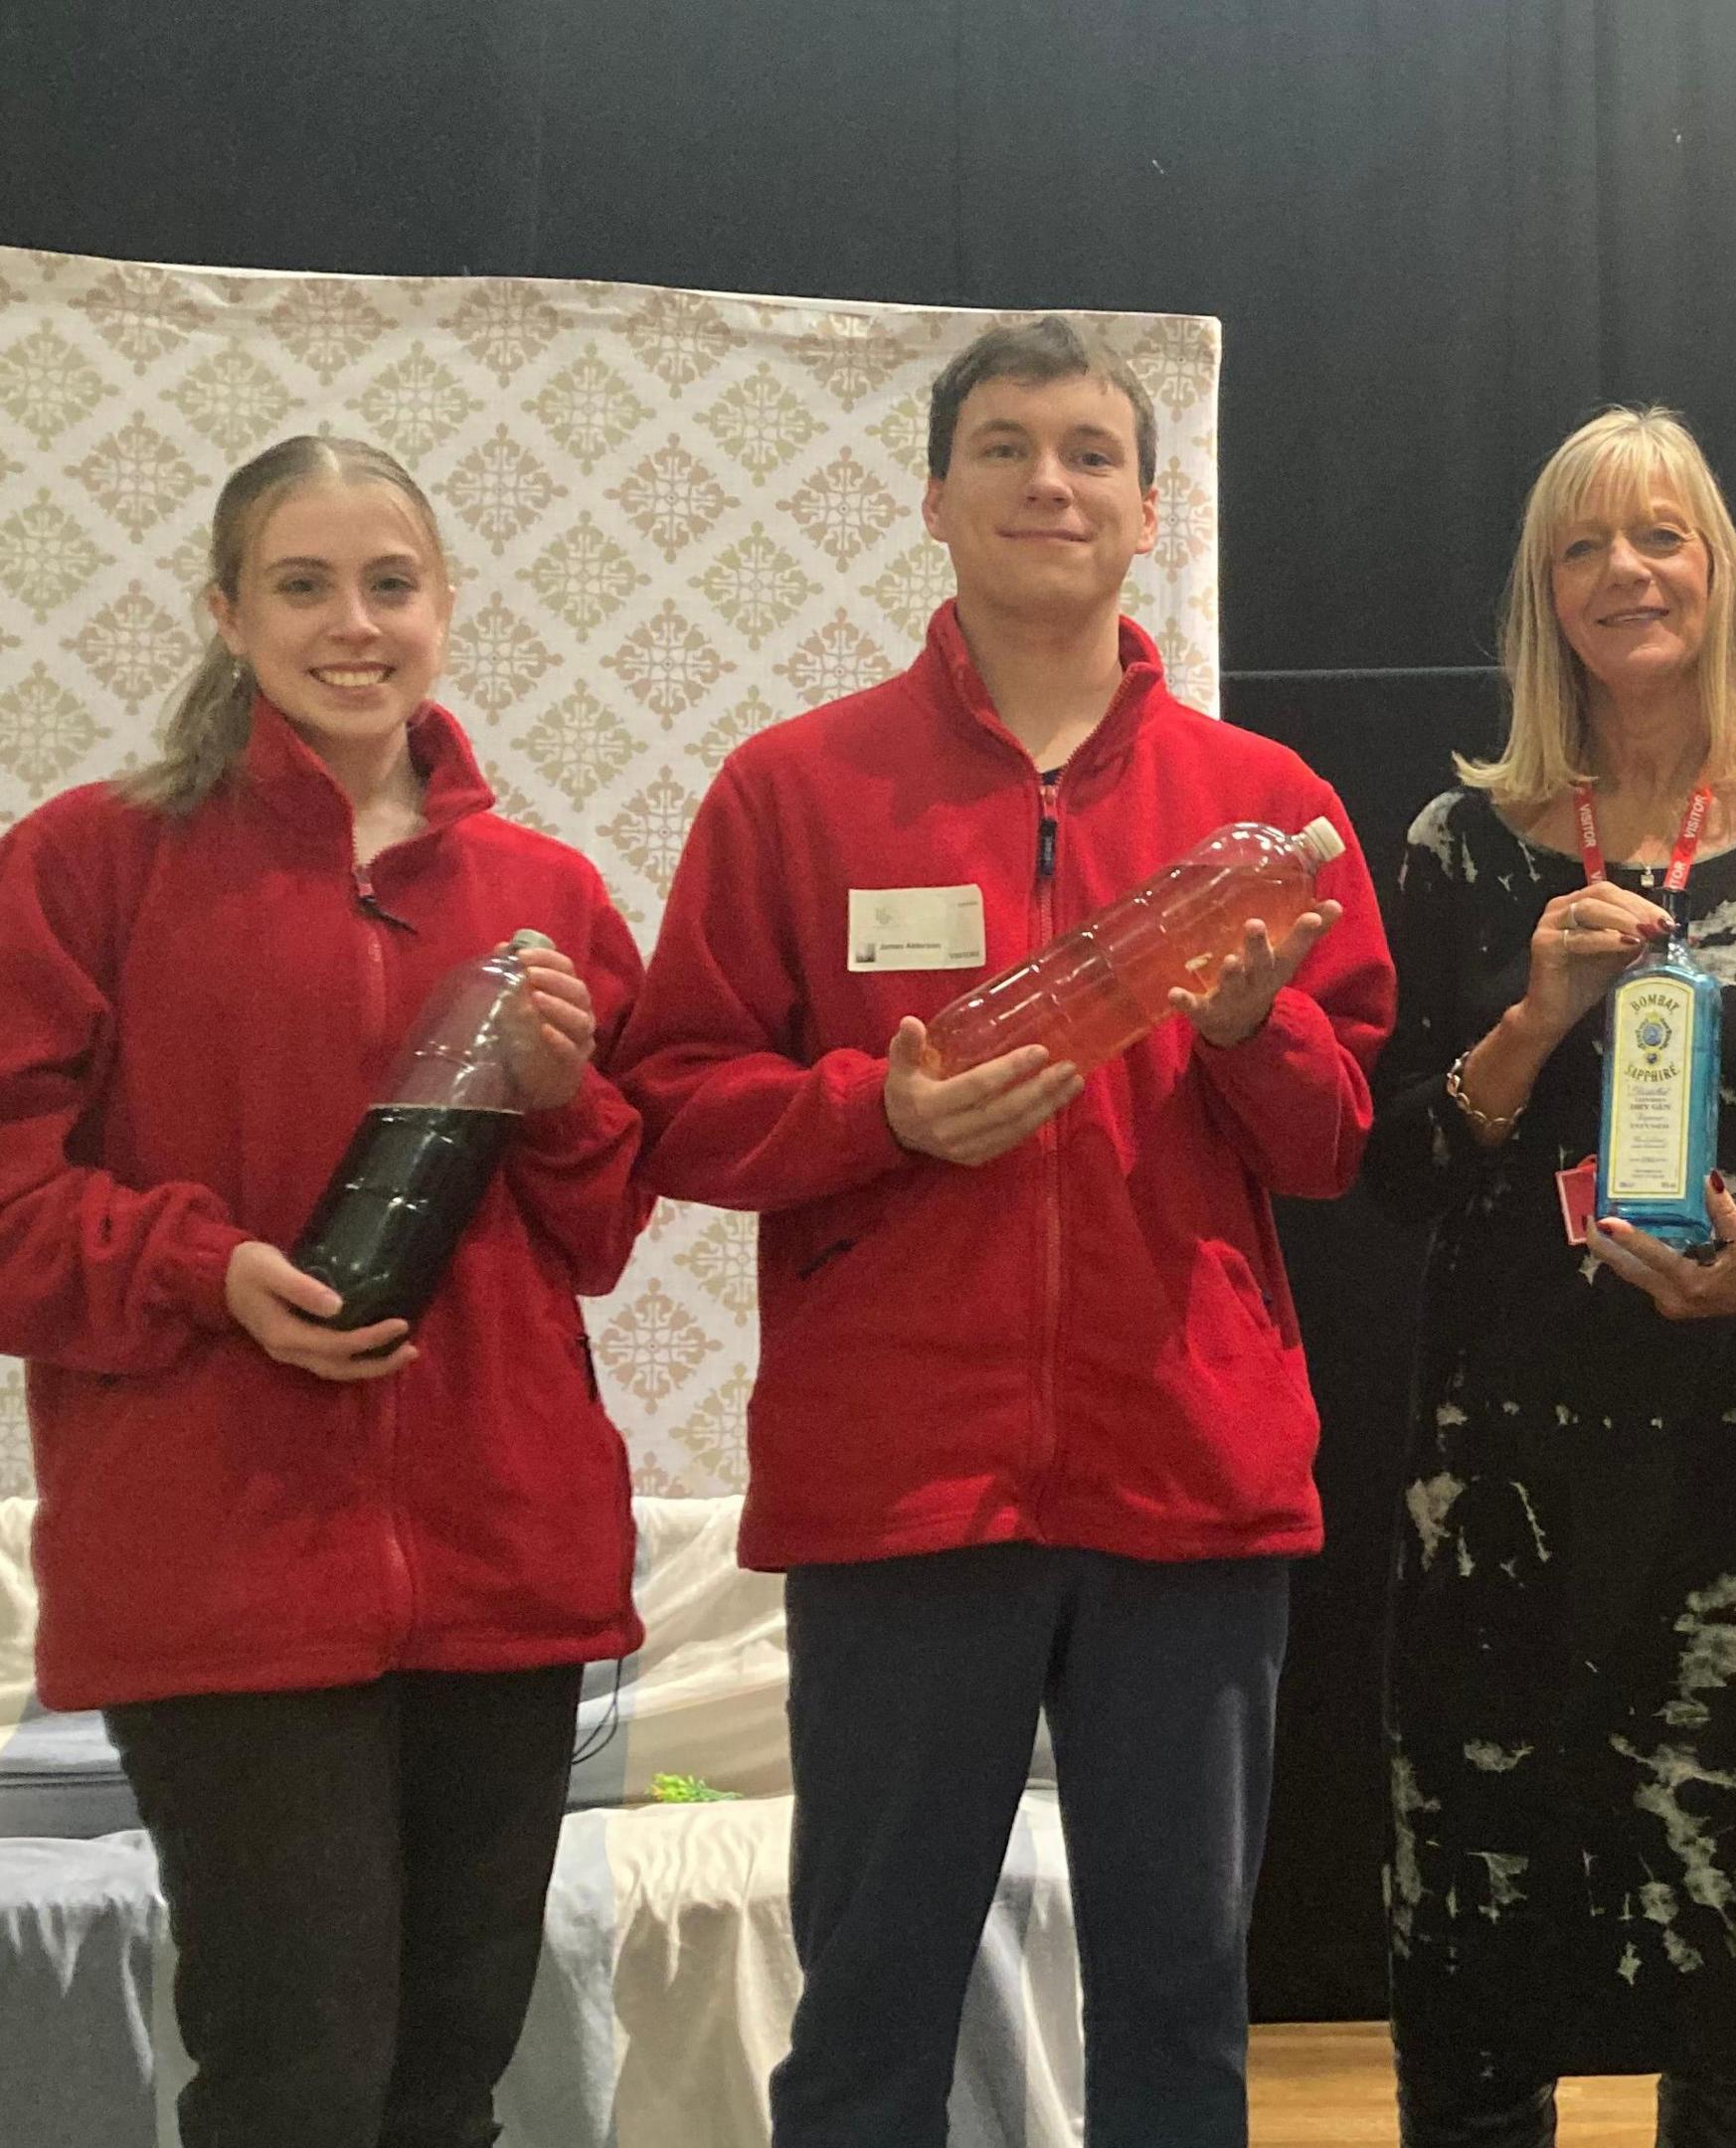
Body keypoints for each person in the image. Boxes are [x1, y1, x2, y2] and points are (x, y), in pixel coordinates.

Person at [608, 315, 1393, 2146]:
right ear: (937, 498)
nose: (1050, 480)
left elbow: (1340, 1141)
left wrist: (1243, 1030)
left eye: (1091, 453)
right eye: (1006, 448)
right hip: (903, 1482)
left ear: (1143, 510)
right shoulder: (792, 789)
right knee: (873, 1997)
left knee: (1184, 2000)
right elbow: (674, 1106)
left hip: (1189, 1477)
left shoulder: (1265, 807)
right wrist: (870, 1111)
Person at [0, 435, 649, 2148]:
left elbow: (597, 1231)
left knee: (451, 2075)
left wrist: (565, 1095)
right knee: (296, 2077)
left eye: (390, 583)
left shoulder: (548, 900)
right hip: (222, 1567)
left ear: (443, 609)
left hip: (506, 1566)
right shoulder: (90, 866)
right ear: (227, 613)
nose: (351, 622)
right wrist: (205, 1270)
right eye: (302, 583)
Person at [1364, 406, 1736, 2148]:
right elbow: (1397, 1170)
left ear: (1719, 572)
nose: (1625, 572)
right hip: (1502, 1468)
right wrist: (1532, 1020)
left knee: (1733, 1963)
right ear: (1542, 594)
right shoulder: (1460, 840)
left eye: (1660, 536)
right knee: (1482, 1954)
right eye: (1583, 546)